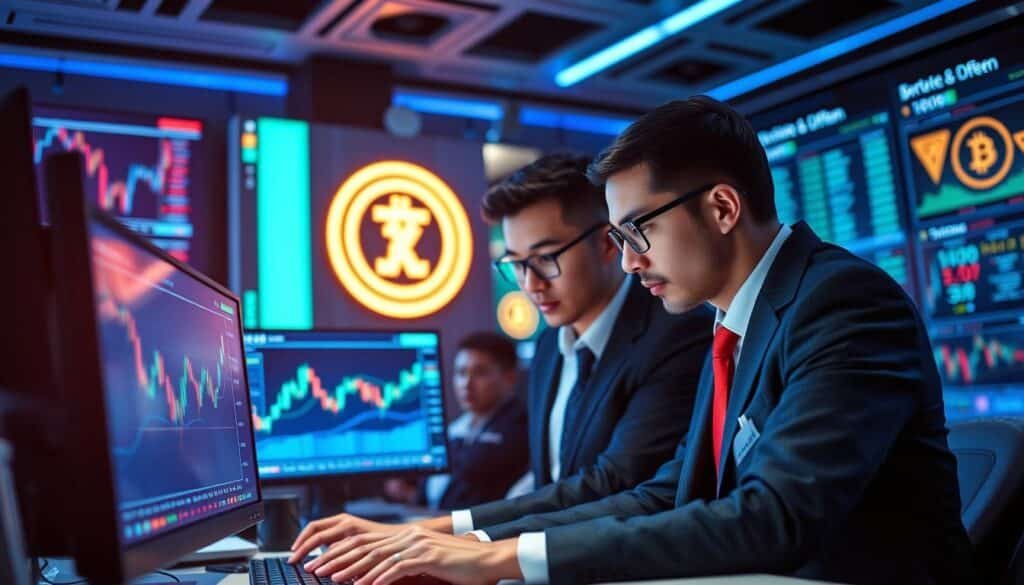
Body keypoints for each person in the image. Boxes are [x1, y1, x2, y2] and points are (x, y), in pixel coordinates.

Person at [292, 97, 975, 585]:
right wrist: (470, 541)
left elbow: (774, 516)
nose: (628, 259)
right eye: (617, 238)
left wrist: (500, 557)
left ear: (723, 207)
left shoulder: (843, 301)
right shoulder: (731, 319)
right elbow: (664, 492)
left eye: (635, 232)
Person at [288, 152, 713, 568]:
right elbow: (556, 487)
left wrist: (453, 535)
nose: (530, 285)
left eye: (546, 259)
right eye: (515, 264)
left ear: (606, 243)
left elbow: (614, 484)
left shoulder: (676, 334)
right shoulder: (550, 345)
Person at [385, 331, 529, 510]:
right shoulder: (455, 430)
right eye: (461, 373)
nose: (466, 384)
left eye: (480, 373)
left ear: (510, 378)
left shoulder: (521, 427)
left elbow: (475, 470)